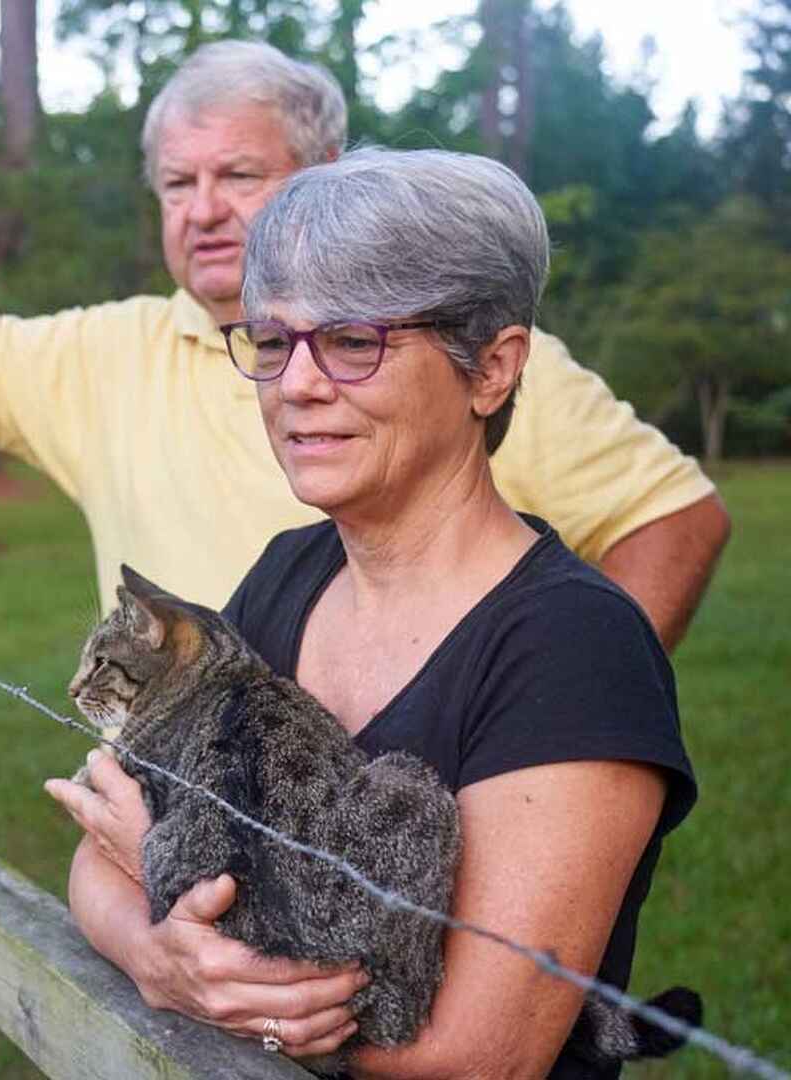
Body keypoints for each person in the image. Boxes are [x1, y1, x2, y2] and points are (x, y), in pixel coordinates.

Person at [46, 147, 697, 1078]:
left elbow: (477, 1057)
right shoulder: (287, 573)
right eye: (272, 341)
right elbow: (98, 841)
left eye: (356, 342)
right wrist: (162, 959)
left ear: (492, 369)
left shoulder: (573, 647)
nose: (298, 385)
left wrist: (226, 982)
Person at [0, 41, 727, 652]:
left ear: (325, 173)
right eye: (178, 183)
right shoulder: (109, 354)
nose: (205, 209)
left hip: (385, 855)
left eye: (240, 175)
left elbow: (676, 519)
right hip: (171, 853)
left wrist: (557, 726)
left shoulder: (443, 360)